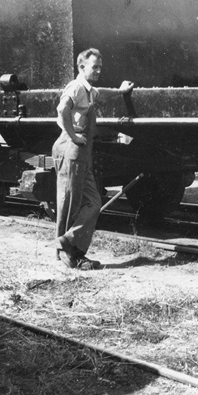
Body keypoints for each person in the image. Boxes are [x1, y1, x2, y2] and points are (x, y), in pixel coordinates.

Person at [53, 48, 134, 270]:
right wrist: (72, 135)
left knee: (93, 202)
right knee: (70, 204)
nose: (98, 70)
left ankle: (69, 243)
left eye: (100, 67)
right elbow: (62, 109)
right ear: (81, 67)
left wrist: (120, 91)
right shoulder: (76, 86)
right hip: (71, 149)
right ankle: (70, 255)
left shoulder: (88, 90)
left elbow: (101, 92)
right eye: (94, 67)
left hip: (81, 153)